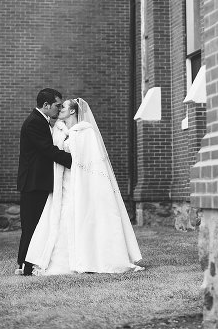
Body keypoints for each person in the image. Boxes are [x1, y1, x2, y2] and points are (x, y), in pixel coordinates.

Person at [26, 98, 144, 275]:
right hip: (64, 184)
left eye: (63, 107)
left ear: (73, 111)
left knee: (82, 217)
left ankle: (88, 257)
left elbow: (89, 162)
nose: (60, 109)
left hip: (80, 184)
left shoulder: (85, 132)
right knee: (62, 218)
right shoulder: (62, 130)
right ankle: (60, 261)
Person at [15, 88, 73, 276]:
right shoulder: (34, 123)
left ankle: (27, 263)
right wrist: (74, 161)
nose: (59, 108)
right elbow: (48, 150)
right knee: (31, 225)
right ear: (46, 105)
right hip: (34, 183)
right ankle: (24, 264)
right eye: (57, 105)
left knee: (38, 225)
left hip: (39, 182)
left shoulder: (42, 121)